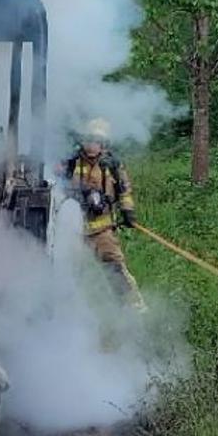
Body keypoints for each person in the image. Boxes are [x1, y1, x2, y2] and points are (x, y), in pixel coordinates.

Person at [61, 118, 147, 311]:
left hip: (103, 230)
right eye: (89, 139)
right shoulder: (72, 162)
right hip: (75, 230)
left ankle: (134, 308)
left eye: (96, 141)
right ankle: (69, 310)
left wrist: (128, 211)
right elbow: (56, 186)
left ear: (103, 143)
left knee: (115, 268)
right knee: (70, 270)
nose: (91, 145)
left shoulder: (112, 165)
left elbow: (124, 190)